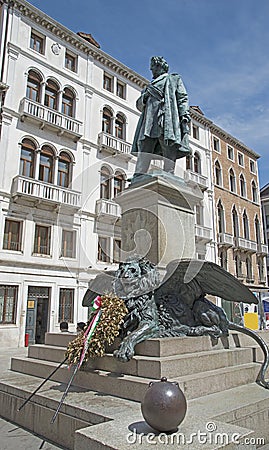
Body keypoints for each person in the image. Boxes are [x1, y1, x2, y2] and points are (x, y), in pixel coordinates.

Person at [131, 56, 191, 181]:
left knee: (168, 143)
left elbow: (182, 98)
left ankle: (169, 172)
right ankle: (139, 174)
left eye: (152, 68)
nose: (151, 70)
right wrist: (145, 97)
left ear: (159, 67)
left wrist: (184, 114)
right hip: (148, 120)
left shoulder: (173, 79)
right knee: (144, 144)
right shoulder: (148, 87)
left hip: (166, 117)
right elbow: (139, 105)